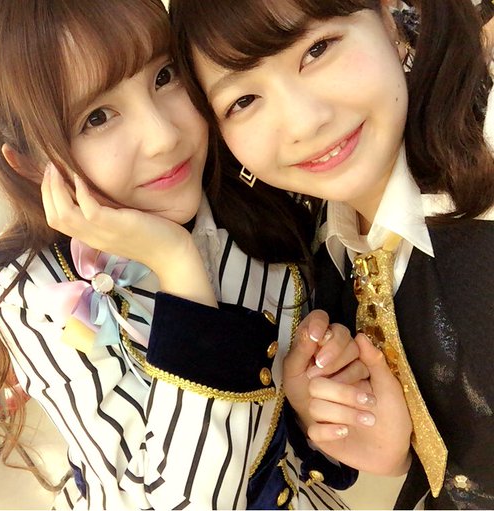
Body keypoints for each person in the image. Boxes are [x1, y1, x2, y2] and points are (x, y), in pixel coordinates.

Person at [0, 0, 410, 508]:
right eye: (97, 117)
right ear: (29, 163)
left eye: (164, 76)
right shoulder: (29, 283)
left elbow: (311, 447)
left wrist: (315, 414)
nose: (164, 137)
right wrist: (178, 267)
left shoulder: (265, 198)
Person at [170, 0, 494, 508]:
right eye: (244, 100)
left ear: (388, 18)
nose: (304, 122)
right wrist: (390, 450)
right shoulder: (327, 259)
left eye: (318, 49)